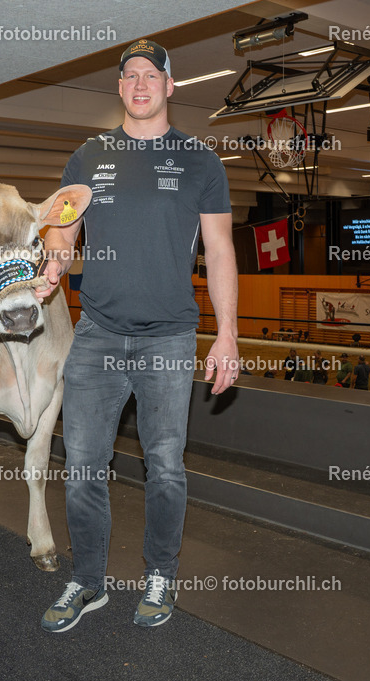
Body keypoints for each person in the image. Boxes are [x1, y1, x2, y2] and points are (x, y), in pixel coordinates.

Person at [34, 39, 238, 632]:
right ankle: (88, 581)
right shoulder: (86, 157)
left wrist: (228, 336)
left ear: (171, 87)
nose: (140, 83)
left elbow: (221, 251)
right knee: (81, 467)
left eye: (152, 75)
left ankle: (159, 576)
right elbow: (64, 236)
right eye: (130, 76)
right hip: (96, 334)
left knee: (166, 467)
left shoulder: (201, 161)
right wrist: (54, 262)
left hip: (170, 340)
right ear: (120, 88)